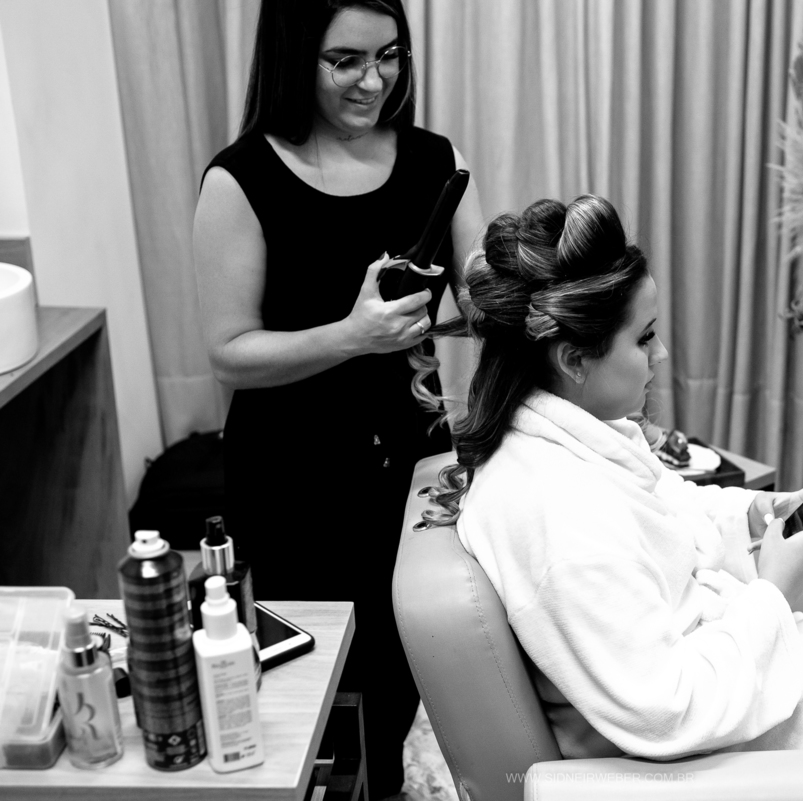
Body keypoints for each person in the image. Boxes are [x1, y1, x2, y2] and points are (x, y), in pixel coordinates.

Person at [416, 195, 803, 801]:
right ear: (574, 359)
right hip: (696, 758)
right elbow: (670, 712)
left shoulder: (567, 437)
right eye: (644, 339)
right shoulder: (560, 521)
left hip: (721, 678)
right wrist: (773, 590)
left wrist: (753, 514)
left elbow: (669, 505)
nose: (661, 355)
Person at [192, 1, 483, 795]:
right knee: (318, 685)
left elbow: (477, 293)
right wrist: (353, 335)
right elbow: (228, 353)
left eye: (389, 55)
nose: (373, 80)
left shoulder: (436, 162)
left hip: (414, 465)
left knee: (402, 671)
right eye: (345, 60)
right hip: (293, 478)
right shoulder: (241, 180)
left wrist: (492, 298)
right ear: (295, 56)